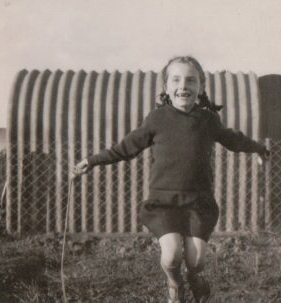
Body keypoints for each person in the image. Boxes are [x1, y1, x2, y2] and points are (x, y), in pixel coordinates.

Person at [73, 56, 269, 303]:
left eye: (190, 80)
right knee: (171, 256)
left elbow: (233, 139)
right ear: (166, 87)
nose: (183, 85)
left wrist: (258, 148)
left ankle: (195, 278)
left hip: (199, 203)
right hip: (163, 204)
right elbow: (126, 147)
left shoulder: (207, 120)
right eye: (175, 79)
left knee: (196, 261)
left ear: (201, 87)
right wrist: (92, 161)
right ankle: (175, 285)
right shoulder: (157, 119)